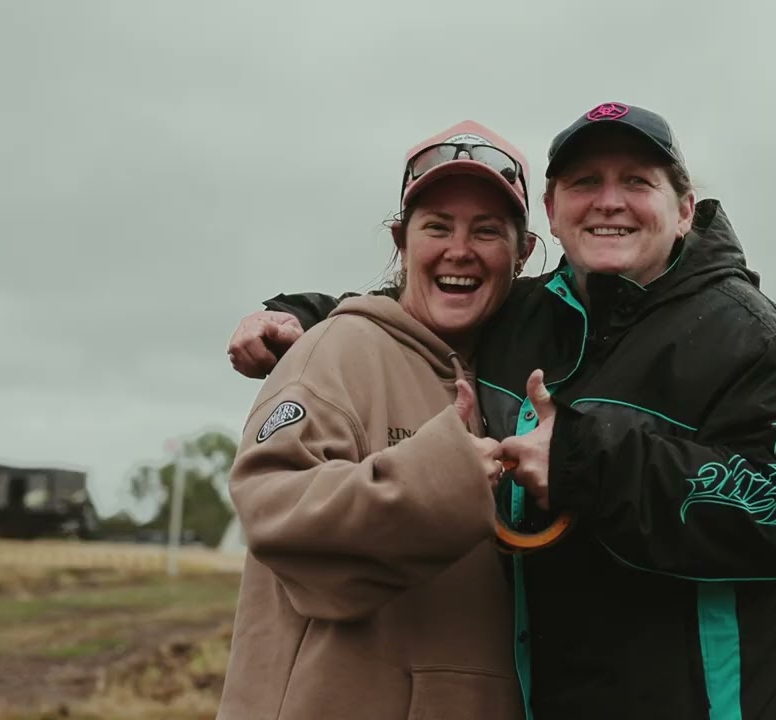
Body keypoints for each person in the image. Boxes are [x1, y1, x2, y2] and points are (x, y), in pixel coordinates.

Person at [228, 103, 776, 720]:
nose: (609, 201)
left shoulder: (756, 342)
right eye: (586, 181)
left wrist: (582, 459)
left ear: (684, 211)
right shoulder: (524, 321)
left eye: (636, 182)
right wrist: (304, 316)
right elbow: (420, 303)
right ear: (555, 215)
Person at [216, 120, 537, 720]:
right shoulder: (335, 350)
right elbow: (272, 510)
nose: (459, 250)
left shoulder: (522, 373)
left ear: (523, 255)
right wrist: (439, 476)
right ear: (401, 241)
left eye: (487, 231)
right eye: (437, 227)